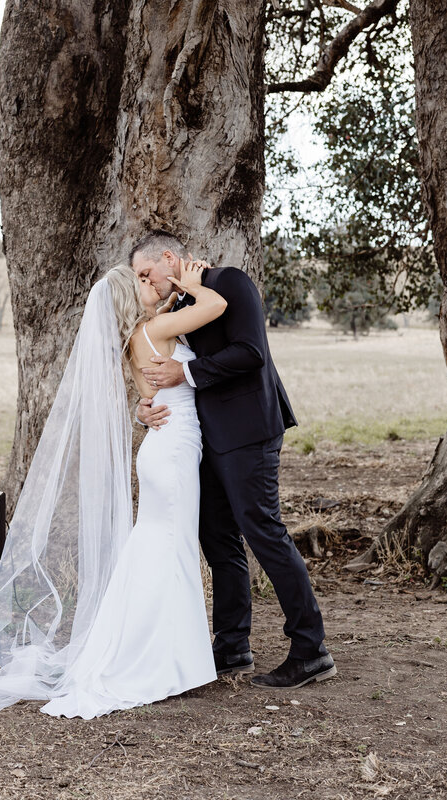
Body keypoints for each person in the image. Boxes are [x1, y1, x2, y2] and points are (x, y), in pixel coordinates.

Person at [0, 260, 226, 721]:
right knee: (168, 549)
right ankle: (159, 659)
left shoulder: (138, 335)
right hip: (172, 454)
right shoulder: (158, 327)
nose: (150, 282)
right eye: (141, 280)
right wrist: (193, 285)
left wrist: (142, 406)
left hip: (164, 448)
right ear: (130, 297)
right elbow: (218, 303)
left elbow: (147, 398)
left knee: (157, 549)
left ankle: (159, 652)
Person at [132, 230, 334, 690]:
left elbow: (250, 353)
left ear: (169, 258)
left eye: (148, 273)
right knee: (216, 537)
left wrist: (185, 372)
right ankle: (232, 644)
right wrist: (147, 407)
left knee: (263, 532)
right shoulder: (182, 307)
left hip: (248, 432)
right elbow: (161, 368)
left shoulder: (231, 282)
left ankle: (310, 648)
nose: (148, 282)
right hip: (206, 441)